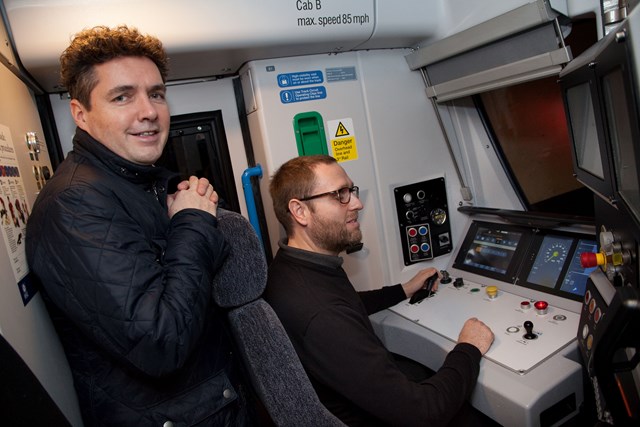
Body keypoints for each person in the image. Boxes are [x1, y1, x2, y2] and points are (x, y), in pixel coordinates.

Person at [26, 26, 255, 426]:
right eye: (122, 96)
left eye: (157, 94)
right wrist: (193, 221)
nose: (148, 111)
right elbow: (161, 343)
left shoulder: (146, 182)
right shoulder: (75, 204)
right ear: (81, 114)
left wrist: (192, 215)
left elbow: (203, 277)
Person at [264, 154, 496, 427]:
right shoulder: (322, 315)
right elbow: (424, 412)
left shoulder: (293, 268)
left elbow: (344, 304)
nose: (358, 203)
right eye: (340, 194)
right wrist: (469, 347)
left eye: (351, 191)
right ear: (300, 211)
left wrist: (402, 290)